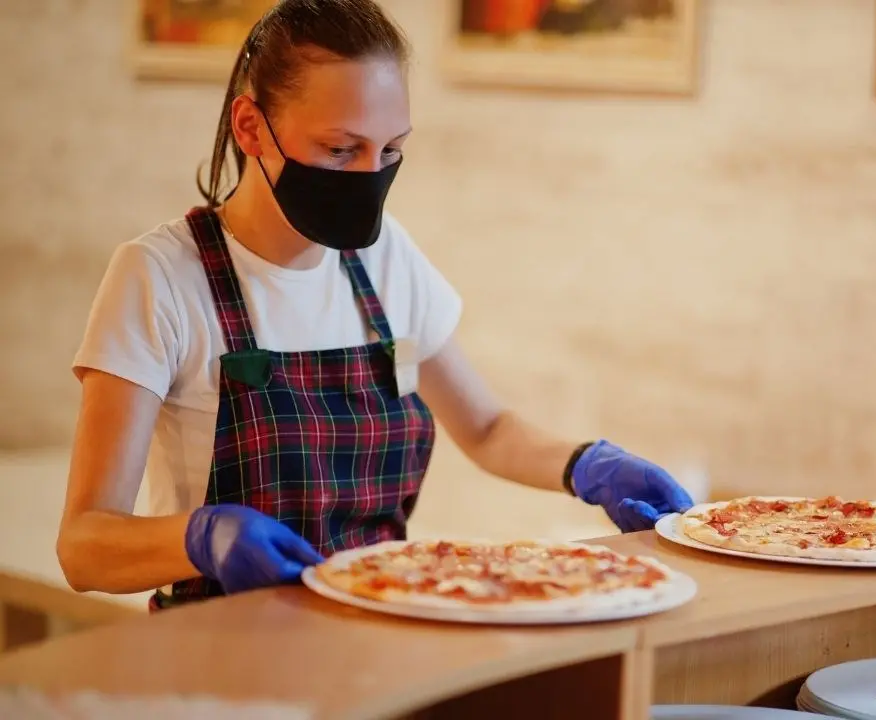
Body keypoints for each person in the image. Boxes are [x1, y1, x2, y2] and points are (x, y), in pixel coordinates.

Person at [56, 0, 693, 610]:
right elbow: (85, 547)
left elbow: (486, 429)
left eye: (389, 151)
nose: (369, 175)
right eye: (339, 149)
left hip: (378, 628)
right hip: (220, 653)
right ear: (252, 127)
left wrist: (588, 465)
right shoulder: (161, 277)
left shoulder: (386, 260)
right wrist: (200, 537)